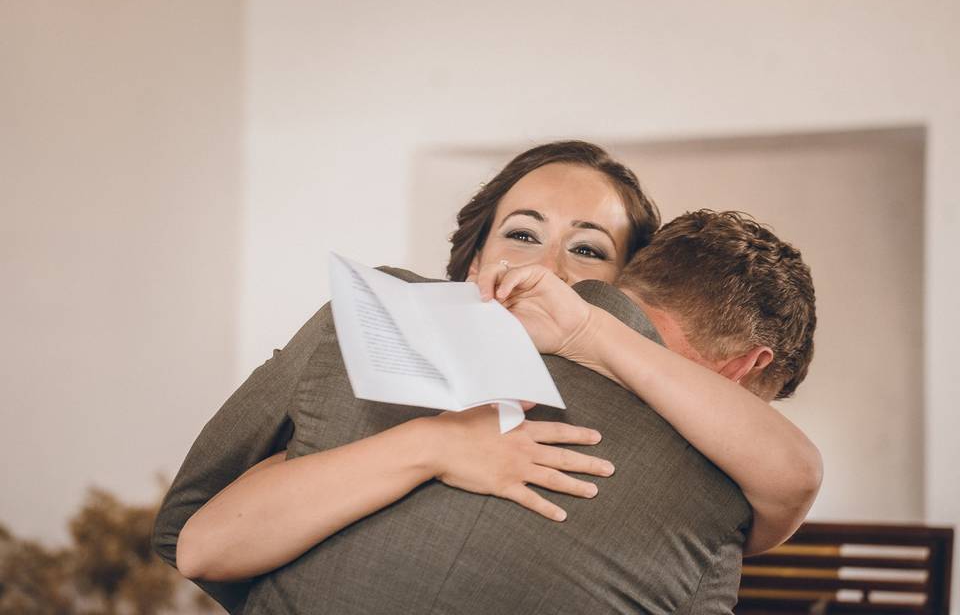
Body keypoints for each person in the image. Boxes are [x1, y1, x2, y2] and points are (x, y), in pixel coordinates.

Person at [153, 141, 819, 613]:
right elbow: (193, 536)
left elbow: (790, 474)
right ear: (474, 258)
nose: (551, 268)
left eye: (587, 251)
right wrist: (434, 447)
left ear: (620, 292)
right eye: (523, 234)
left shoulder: (682, 452)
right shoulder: (366, 321)